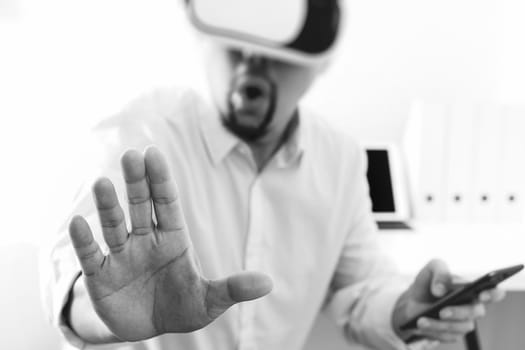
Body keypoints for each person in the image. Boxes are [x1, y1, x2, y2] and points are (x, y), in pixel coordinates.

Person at [41, 1, 504, 349]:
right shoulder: (137, 135)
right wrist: (103, 313)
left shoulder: (339, 160)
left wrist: (406, 309)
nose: (251, 65)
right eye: (237, 43)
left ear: (319, 61)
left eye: (276, 50)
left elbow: (359, 291)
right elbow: (71, 276)